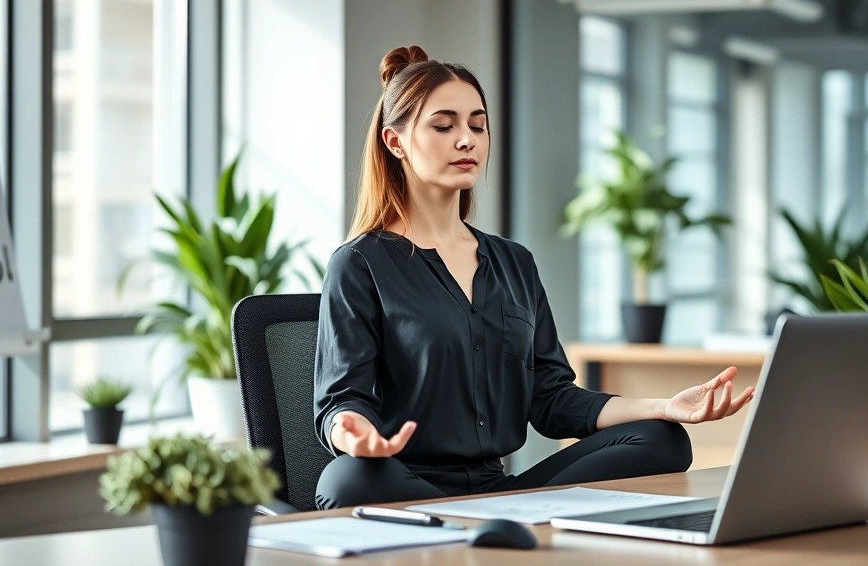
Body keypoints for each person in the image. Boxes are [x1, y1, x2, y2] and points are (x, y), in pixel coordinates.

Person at [313, 45, 753, 510]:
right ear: (395, 142)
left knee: (662, 440)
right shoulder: (360, 264)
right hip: (405, 487)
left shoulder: (513, 262)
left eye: (477, 125)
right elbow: (342, 399)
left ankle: (484, 526)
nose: (467, 140)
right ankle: (488, 528)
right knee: (348, 479)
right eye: (444, 126)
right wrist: (351, 431)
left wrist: (662, 407)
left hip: (503, 492)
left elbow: (552, 398)